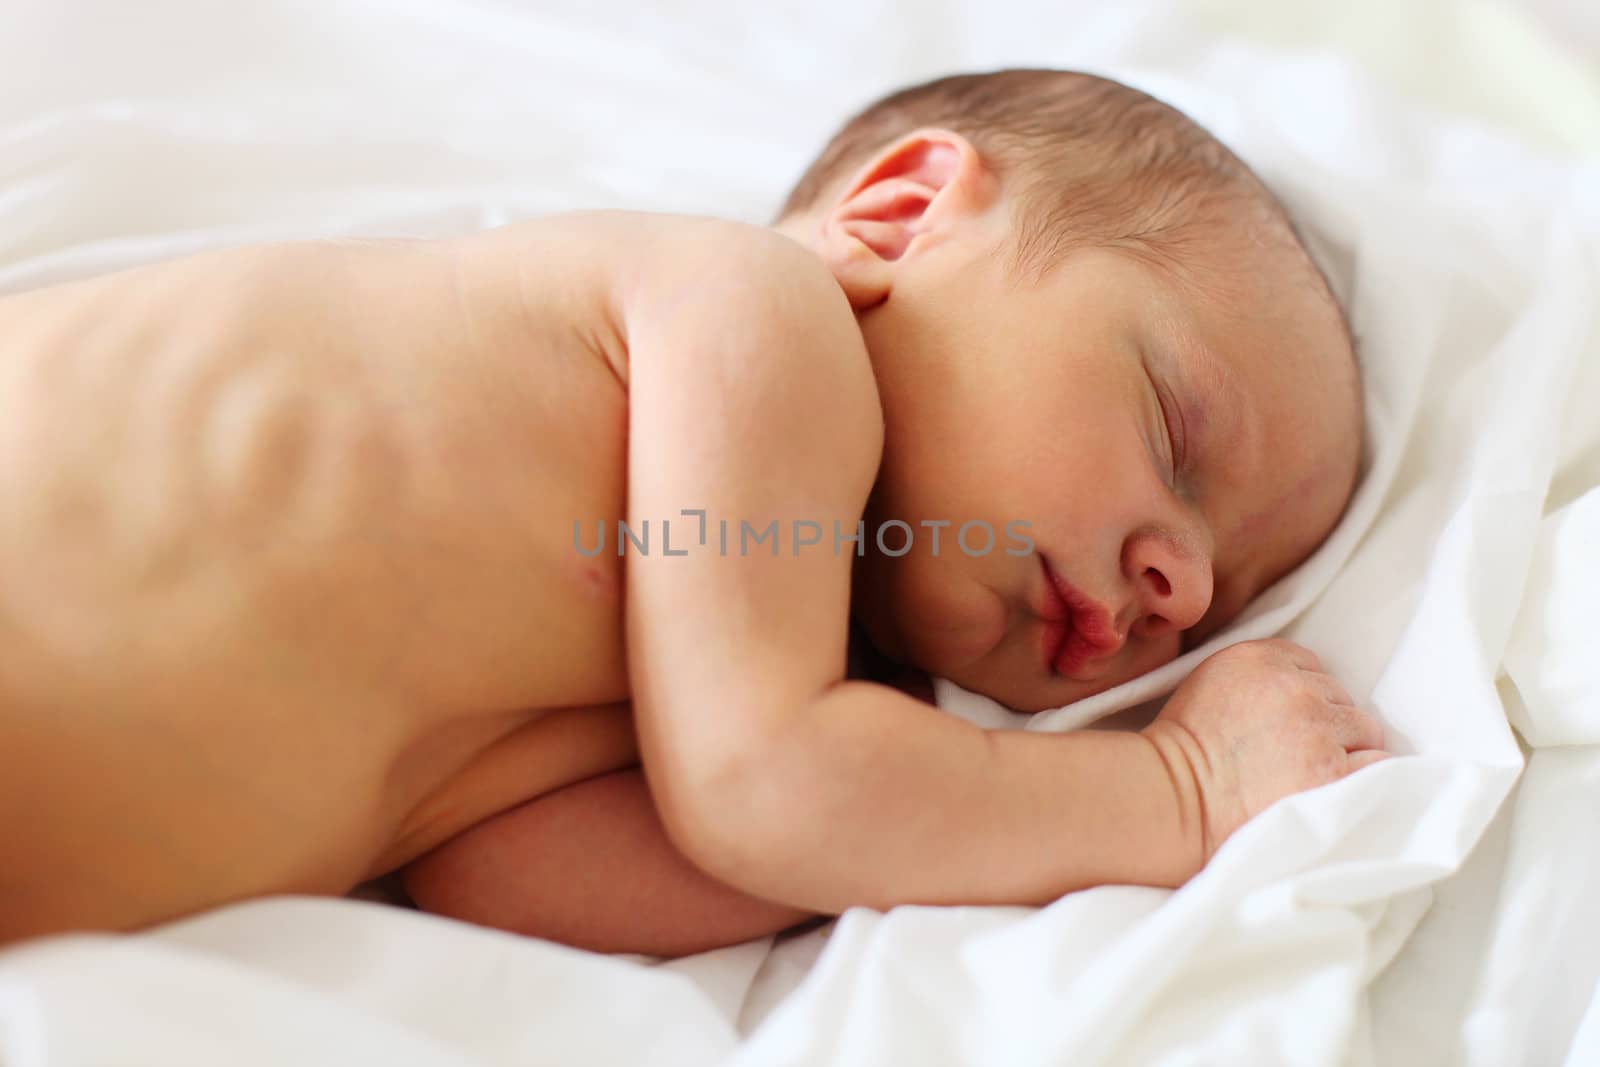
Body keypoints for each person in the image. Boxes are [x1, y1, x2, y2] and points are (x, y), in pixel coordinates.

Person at [0, 69, 1388, 953]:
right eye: (1175, 431)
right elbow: (765, 789)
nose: (1185, 585)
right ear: (904, 214)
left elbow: (512, 884)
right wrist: (1176, 791)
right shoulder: (749, 311)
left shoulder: (784, 675)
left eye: (1230, 580)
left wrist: (930, 814)